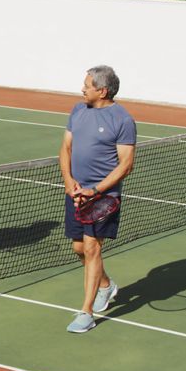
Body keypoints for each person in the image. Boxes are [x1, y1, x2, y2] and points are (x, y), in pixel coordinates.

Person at [59, 65, 136, 333]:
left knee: (92, 248)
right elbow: (65, 148)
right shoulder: (78, 110)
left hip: (103, 197)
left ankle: (86, 312)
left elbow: (126, 165)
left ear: (102, 91)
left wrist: (96, 190)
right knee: (79, 249)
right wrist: (69, 182)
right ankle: (105, 285)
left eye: (87, 85)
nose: (82, 88)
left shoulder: (122, 120)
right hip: (76, 193)